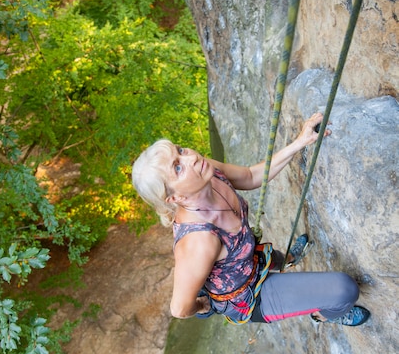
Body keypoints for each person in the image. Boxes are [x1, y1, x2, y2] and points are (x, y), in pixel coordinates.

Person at [132, 112, 370, 327]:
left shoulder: (208, 172)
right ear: (174, 198)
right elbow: (179, 308)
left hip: (251, 255)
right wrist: (206, 306)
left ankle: (289, 259)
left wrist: (300, 142)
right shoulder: (199, 241)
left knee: (279, 258)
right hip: (248, 295)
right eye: (177, 168)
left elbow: (250, 175)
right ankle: (326, 314)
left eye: (180, 150)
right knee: (345, 290)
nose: (191, 157)